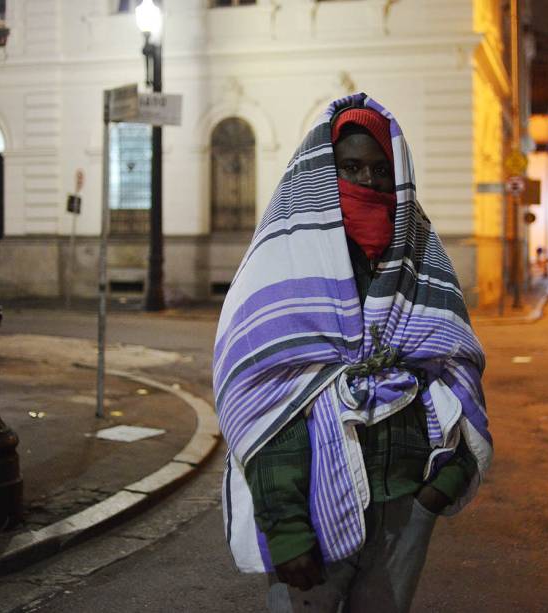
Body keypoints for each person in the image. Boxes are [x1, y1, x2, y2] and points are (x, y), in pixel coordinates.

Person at [213, 94, 492, 613]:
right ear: (323, 172)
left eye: (379, 170)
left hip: (404, 507)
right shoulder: (280, 265)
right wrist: (288, 531)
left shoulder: (419, 259)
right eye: (350, 167)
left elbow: (456, 370)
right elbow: (268, 404)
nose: (366, 182)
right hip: (311, 512)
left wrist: (441, 485)